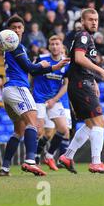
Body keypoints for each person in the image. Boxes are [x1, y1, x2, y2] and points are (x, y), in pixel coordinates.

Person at [0, 15, 70, 177]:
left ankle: (5, 168)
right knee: (33, 123)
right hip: (18, 88)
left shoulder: (15, 47)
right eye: (13, 27)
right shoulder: (15, 46)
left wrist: (49, 66)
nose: (16, 30)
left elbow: (28, 68)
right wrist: (47, 66)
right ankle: (31, 161)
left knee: (18, 130)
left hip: (9, 91)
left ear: (23, 29)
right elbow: (31, 69)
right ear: (8, 31)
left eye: (19, 27)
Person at [58, 9, 104, 174]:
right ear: (82, 21)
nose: (94, 22)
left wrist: (93, 80)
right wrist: (101, 71)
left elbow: (80, 64)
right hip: (81, 85)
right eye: (90, 19)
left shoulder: (86, 37)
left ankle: (67, 156)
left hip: (83, 82)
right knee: (100, 122)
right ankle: (96, 163)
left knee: (90, 124)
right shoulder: (83, 36)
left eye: (96, 20)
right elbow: (79, 59)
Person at [32, 36, 70, 171]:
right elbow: (31, 72)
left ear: (61, 47)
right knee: (39, 131)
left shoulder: (66, 63)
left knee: (63, 129)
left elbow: (66, 85)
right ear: (49, 46)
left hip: (54, 100)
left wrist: (55, 99)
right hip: (39, 99)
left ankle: (48, 155)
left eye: (57, 44)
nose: (54, 46)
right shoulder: (41, 58)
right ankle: (33, 158)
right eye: (52, 44)